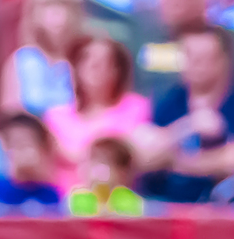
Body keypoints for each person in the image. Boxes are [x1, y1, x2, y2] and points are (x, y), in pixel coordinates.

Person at [143, 26, 234, 203]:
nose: (196, 64)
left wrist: (180, 162)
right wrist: (188, 126)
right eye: (190, 56)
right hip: (169, 206)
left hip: (233, 208)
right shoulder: (169, 103)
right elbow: (146, 157)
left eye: (205, 58)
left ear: (224, 60)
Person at [41, 36, 152, 185]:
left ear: (117, 70)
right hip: (65, 201)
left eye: (104, 60)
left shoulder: (136, 108)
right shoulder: (56, 117)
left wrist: (71, 154)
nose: (94, 65)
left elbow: (138, 157)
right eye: (86, 58)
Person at [1, 0, 77, 118]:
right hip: (30, 131)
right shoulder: (22, 60)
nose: (57, 14)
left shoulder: (79, 61)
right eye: (49, 6)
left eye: (63, 6)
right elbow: (9, 113)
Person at [66, 135, 145, 216]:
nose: (97, 170)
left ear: (122, 172)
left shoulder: (129, 200)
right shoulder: (76, 198)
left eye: (105, 163)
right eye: (92, 161)